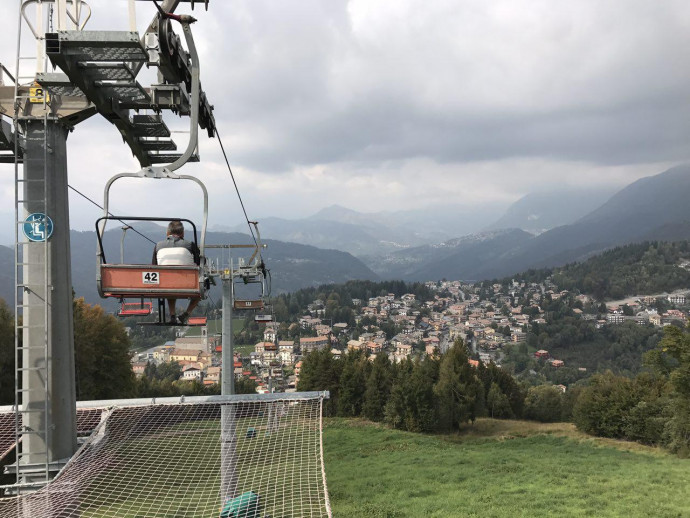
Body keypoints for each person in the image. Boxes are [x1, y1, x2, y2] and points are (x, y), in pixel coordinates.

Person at [152, 220, 201, 324]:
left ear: (167, 233)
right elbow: (199, 263)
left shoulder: (158, 246)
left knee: (170, 286)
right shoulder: (190, 245)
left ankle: (172, 315)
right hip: (188, 284)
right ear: (182, 233)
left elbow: (154, 266)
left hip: (166, 285)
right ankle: (186, 314)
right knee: (201, 289)